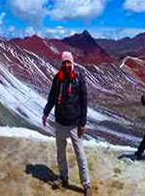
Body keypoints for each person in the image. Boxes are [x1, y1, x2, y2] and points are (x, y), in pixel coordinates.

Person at [42, 51, 92, 196]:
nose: (66, 65)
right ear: (61, 63)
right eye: (64, 62)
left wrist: (82, 123)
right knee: (60, 153)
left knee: (80, 154)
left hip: (74, 123)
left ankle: (86, 184)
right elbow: (52, 97)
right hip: (60, 122)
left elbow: (84, 101)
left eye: (68, 62)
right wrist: (46, 113)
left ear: (72, 62)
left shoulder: (78, 78)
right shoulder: (58, 78)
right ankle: (64, 177)